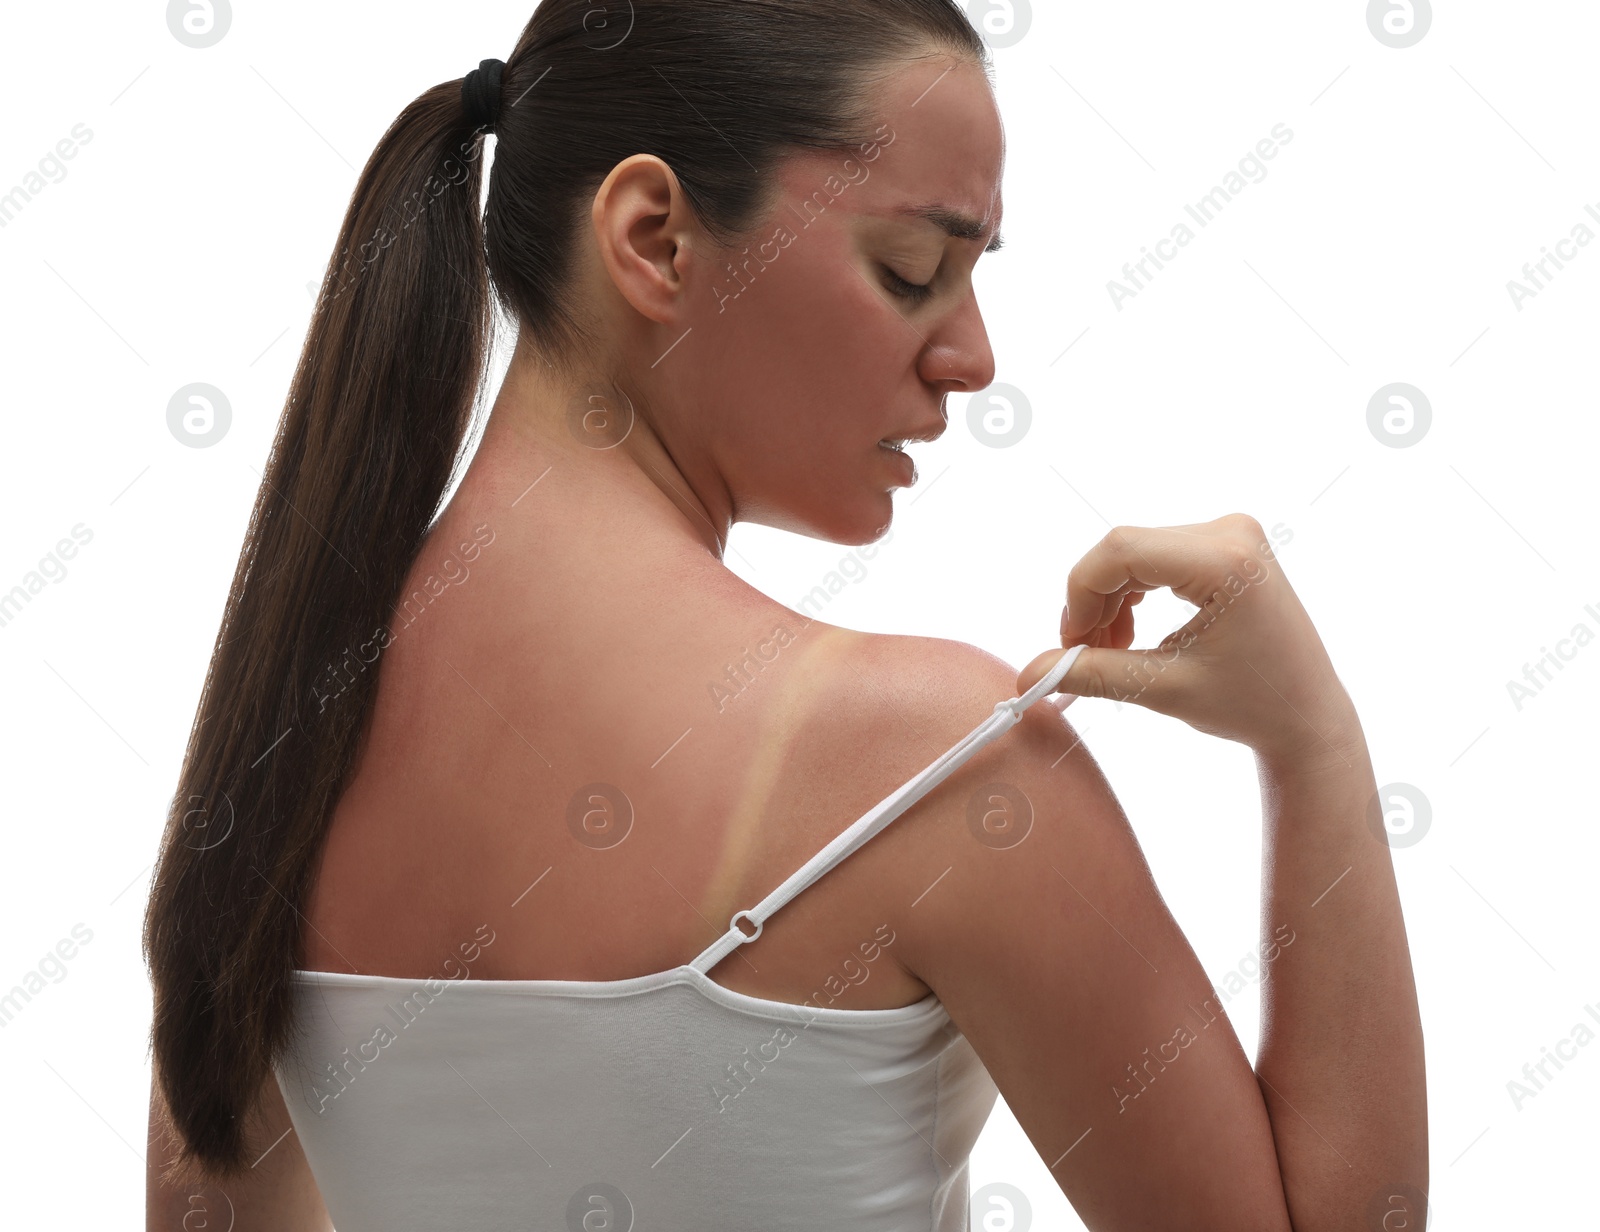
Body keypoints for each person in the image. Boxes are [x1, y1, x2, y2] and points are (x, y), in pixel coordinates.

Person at [143, 2, 1427, 1228]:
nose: (975, 357)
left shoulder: (280, 738)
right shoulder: (927, 764)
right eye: (912, 267)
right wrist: (1312, 745)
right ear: (652, 236)